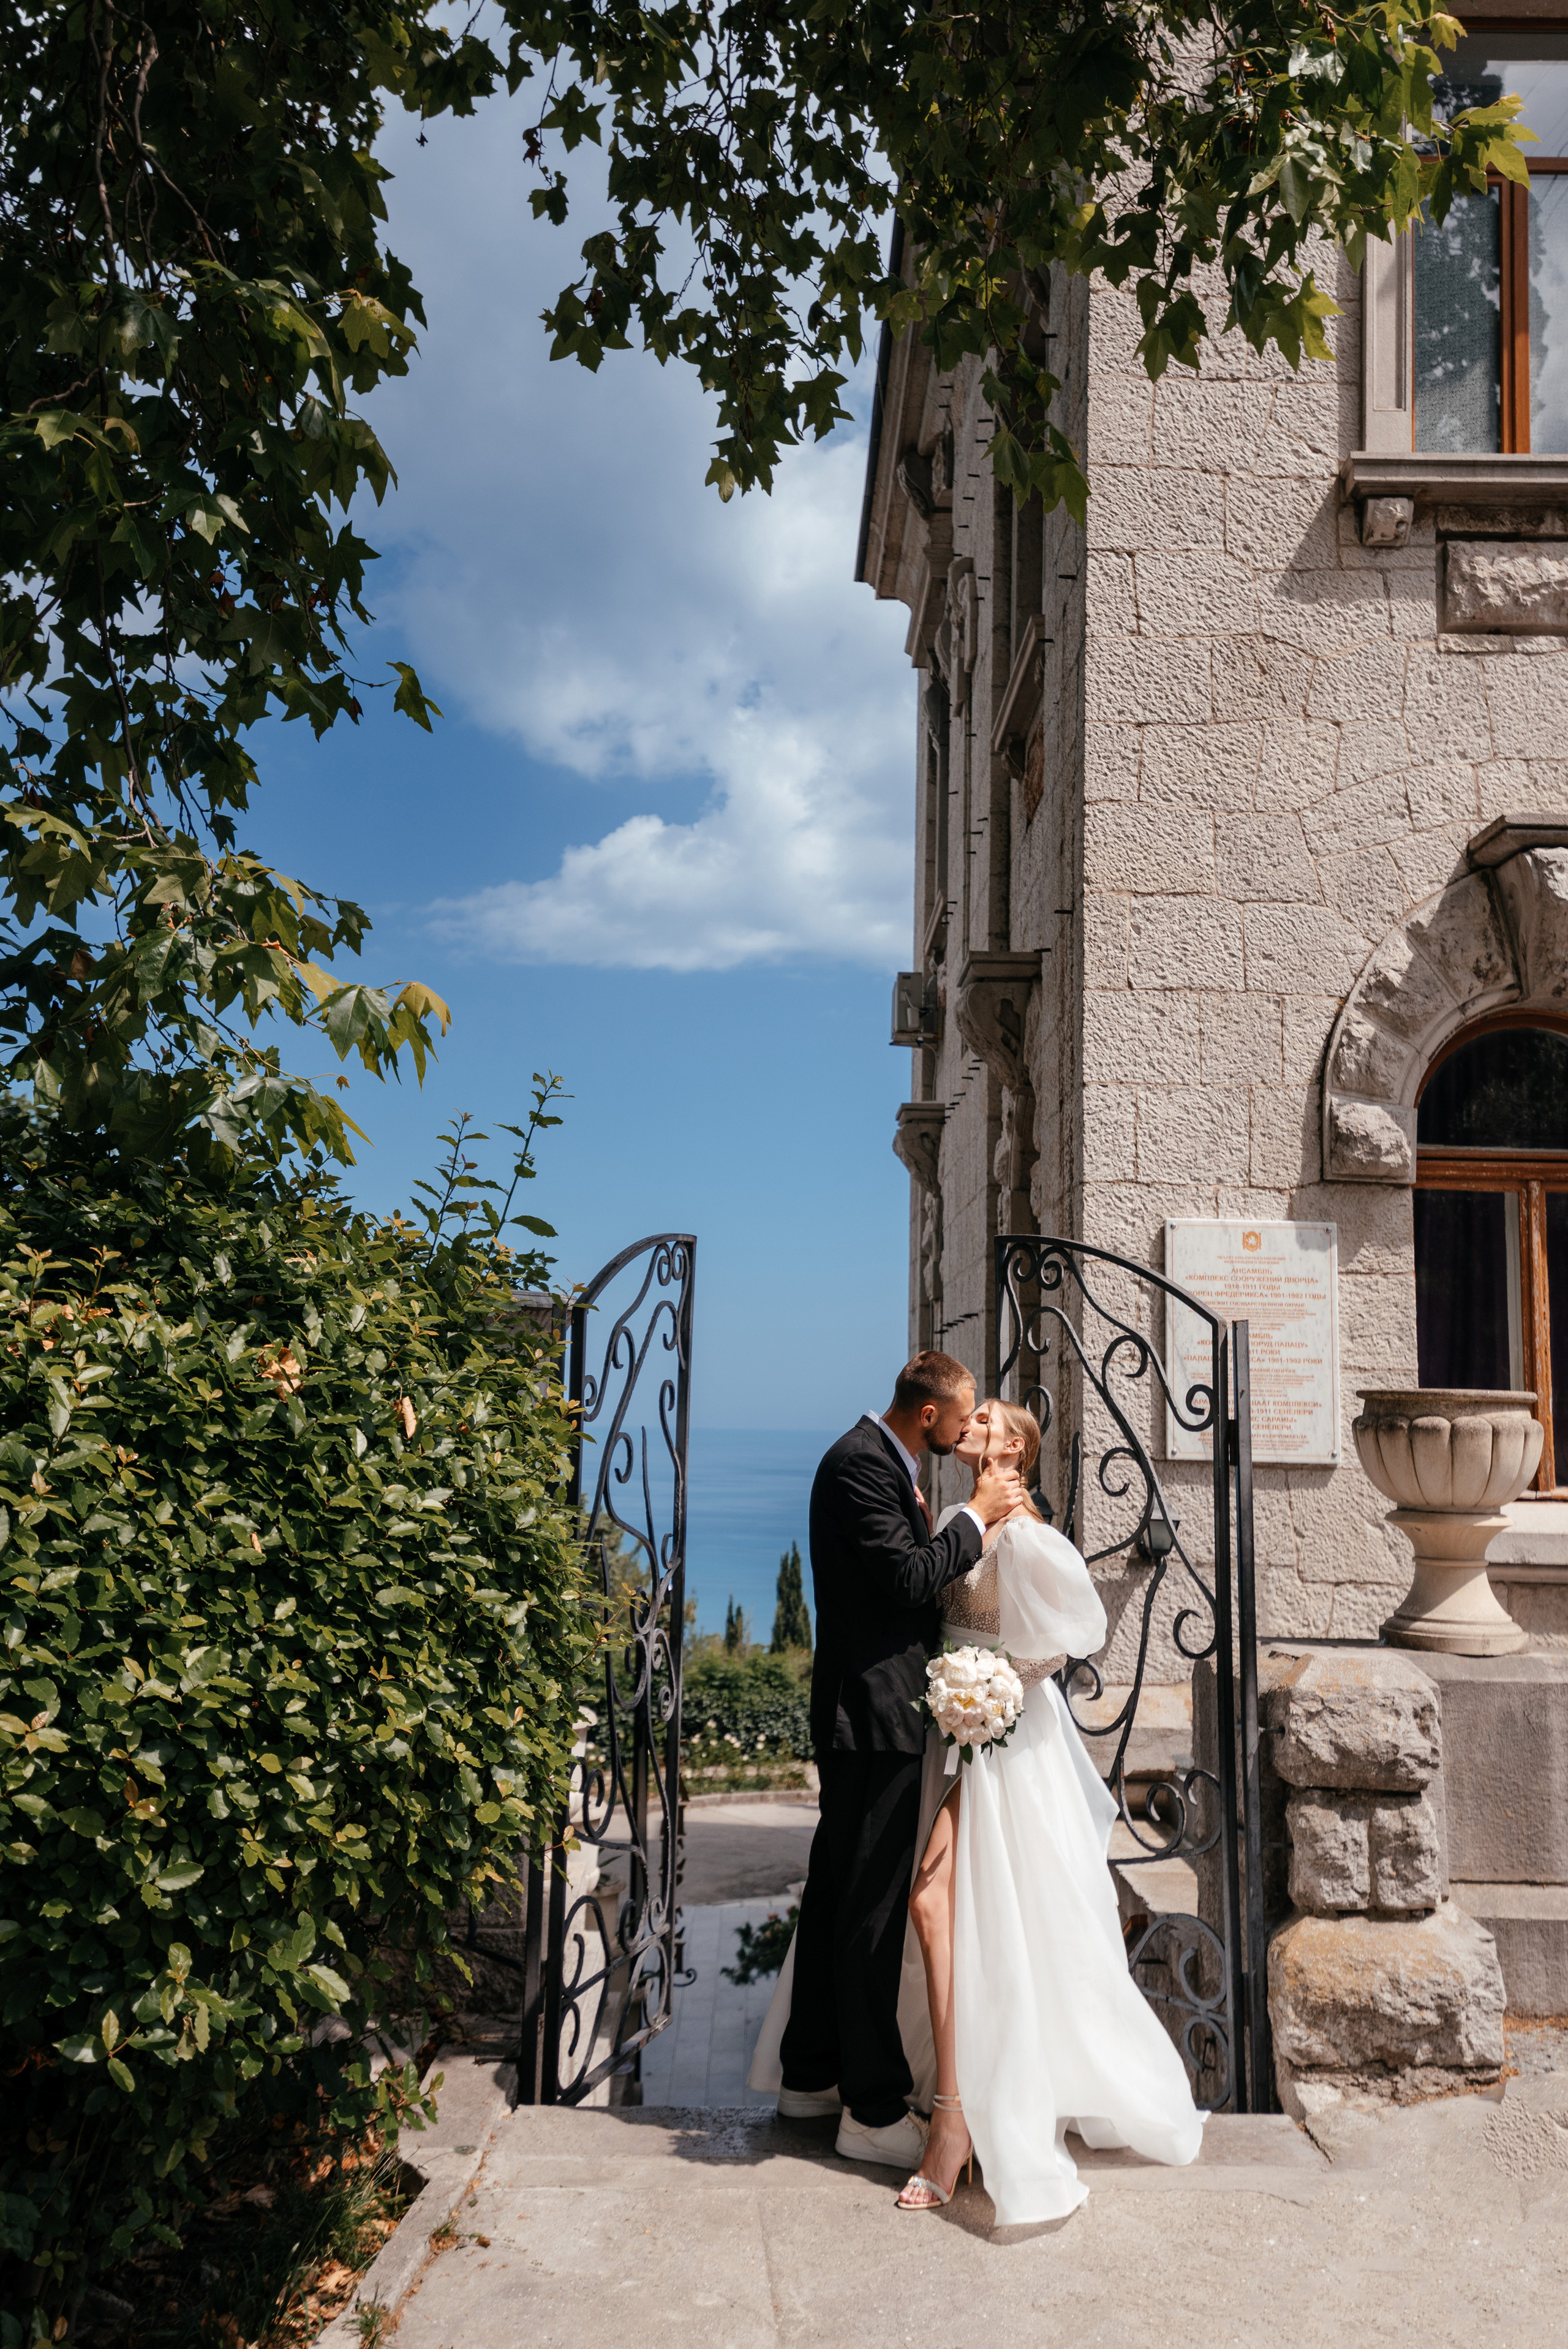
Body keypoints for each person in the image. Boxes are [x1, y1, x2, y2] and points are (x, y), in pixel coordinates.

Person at [895, 1398, 1204, 2223]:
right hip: (953, 1733)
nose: (973, 1416)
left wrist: (995, 1686)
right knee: (956, 1914)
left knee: (950, 1902)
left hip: (998, 1739)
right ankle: (949, 2100)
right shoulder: (962, 1513)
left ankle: (960, 2122)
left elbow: (1074, 1633)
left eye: (989, 1415)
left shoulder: (1028, 1533)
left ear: (1017, 1450)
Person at [748, 1352, 1023, 2171]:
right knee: (869, 1906)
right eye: (965, 1415)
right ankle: (869, 2109)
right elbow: (908, 1578)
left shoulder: (881, 1462)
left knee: (837, 1892)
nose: (973, 1426)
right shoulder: (860, 1465)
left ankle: (812, 2074)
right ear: (929, 1416)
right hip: (871, 1719)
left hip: (872, 1715)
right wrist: (974, 1514)